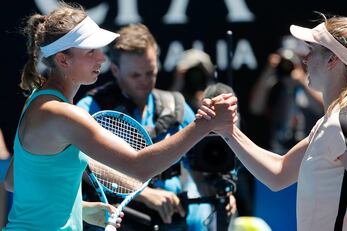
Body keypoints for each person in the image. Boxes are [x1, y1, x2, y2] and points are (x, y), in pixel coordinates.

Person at [3, 2, 237, 230]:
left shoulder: (38, 102)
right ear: (63, 60)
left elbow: (14, 181)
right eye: (90, 51)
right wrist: (204, 124)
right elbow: (140, 167)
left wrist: (80, 208)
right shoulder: (63, 115)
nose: (101, 58)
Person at [197, 13, 347, 230]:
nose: (304, 59)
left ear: (332, 60)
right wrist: (228, 131)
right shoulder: (330, 123)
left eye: (311, 51)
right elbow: (278, 173)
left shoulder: (346, 122)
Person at [76, 24, 234, 230]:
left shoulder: (176, 107)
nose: (144, 81)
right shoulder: (90, 109)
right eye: (135, 75)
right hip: (118, 221)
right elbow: (77, 165)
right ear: (115, 70)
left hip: (172, 221)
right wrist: (146, 194)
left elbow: (198, 169)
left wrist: (218, 195)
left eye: (150, 72)